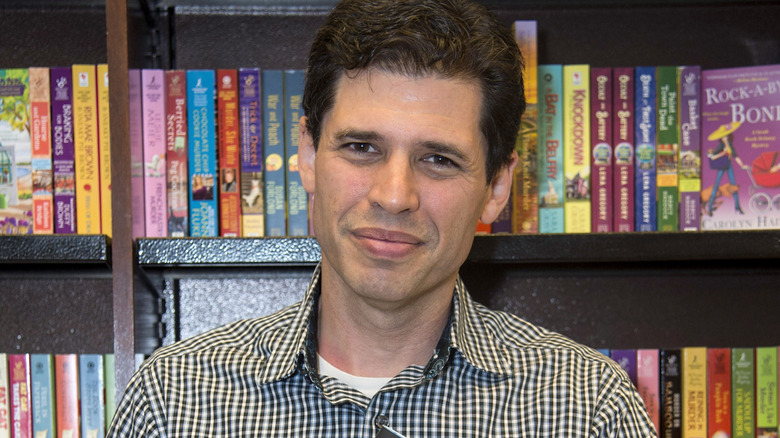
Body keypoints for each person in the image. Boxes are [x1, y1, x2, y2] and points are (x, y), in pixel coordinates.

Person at [107, 1, 657, 437]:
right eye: (362, 147)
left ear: (495, 188)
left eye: (438, 159)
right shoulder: (173, 403)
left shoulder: (588, 410)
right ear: (306, 154)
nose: (395, 196)